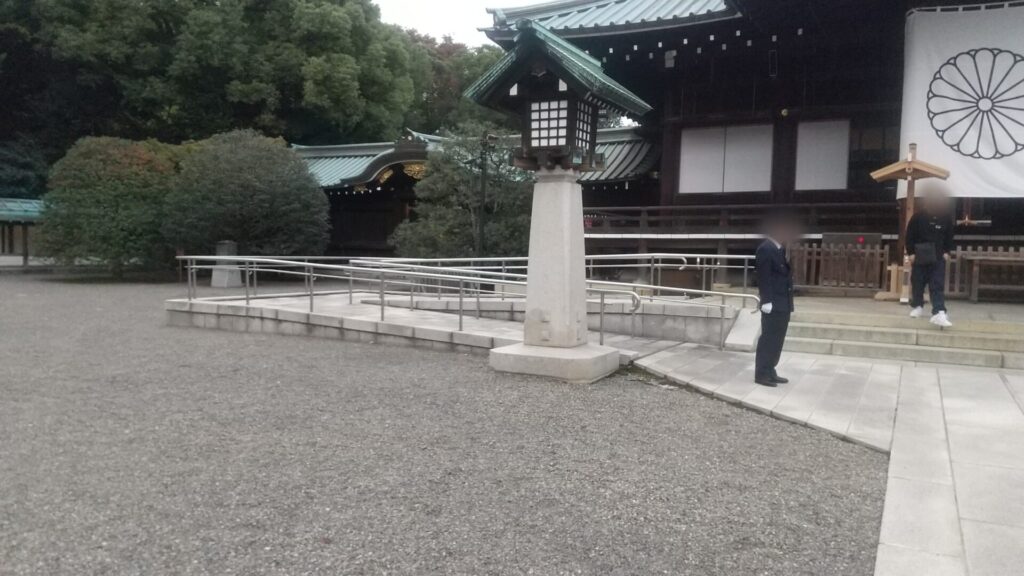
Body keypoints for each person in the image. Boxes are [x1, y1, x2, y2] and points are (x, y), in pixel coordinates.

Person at [754, 212, 799, 387]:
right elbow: (764, 276)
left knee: (778, 339)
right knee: (768, 339)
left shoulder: (779, 249)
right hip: (773, 303)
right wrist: (766, 301)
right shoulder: (766, 249)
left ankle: (771, 369)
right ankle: (761, 373)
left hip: (783, 302)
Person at [906, 184, 956, 327]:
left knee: (937, 283)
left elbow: (949, 237)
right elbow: (909, 236)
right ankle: (917, 306)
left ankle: (939, 311)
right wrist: (911, 253)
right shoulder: (917, 217)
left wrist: (947, 251)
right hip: (920, 253)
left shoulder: (945, 218)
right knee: (918, 281)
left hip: (938, 255)